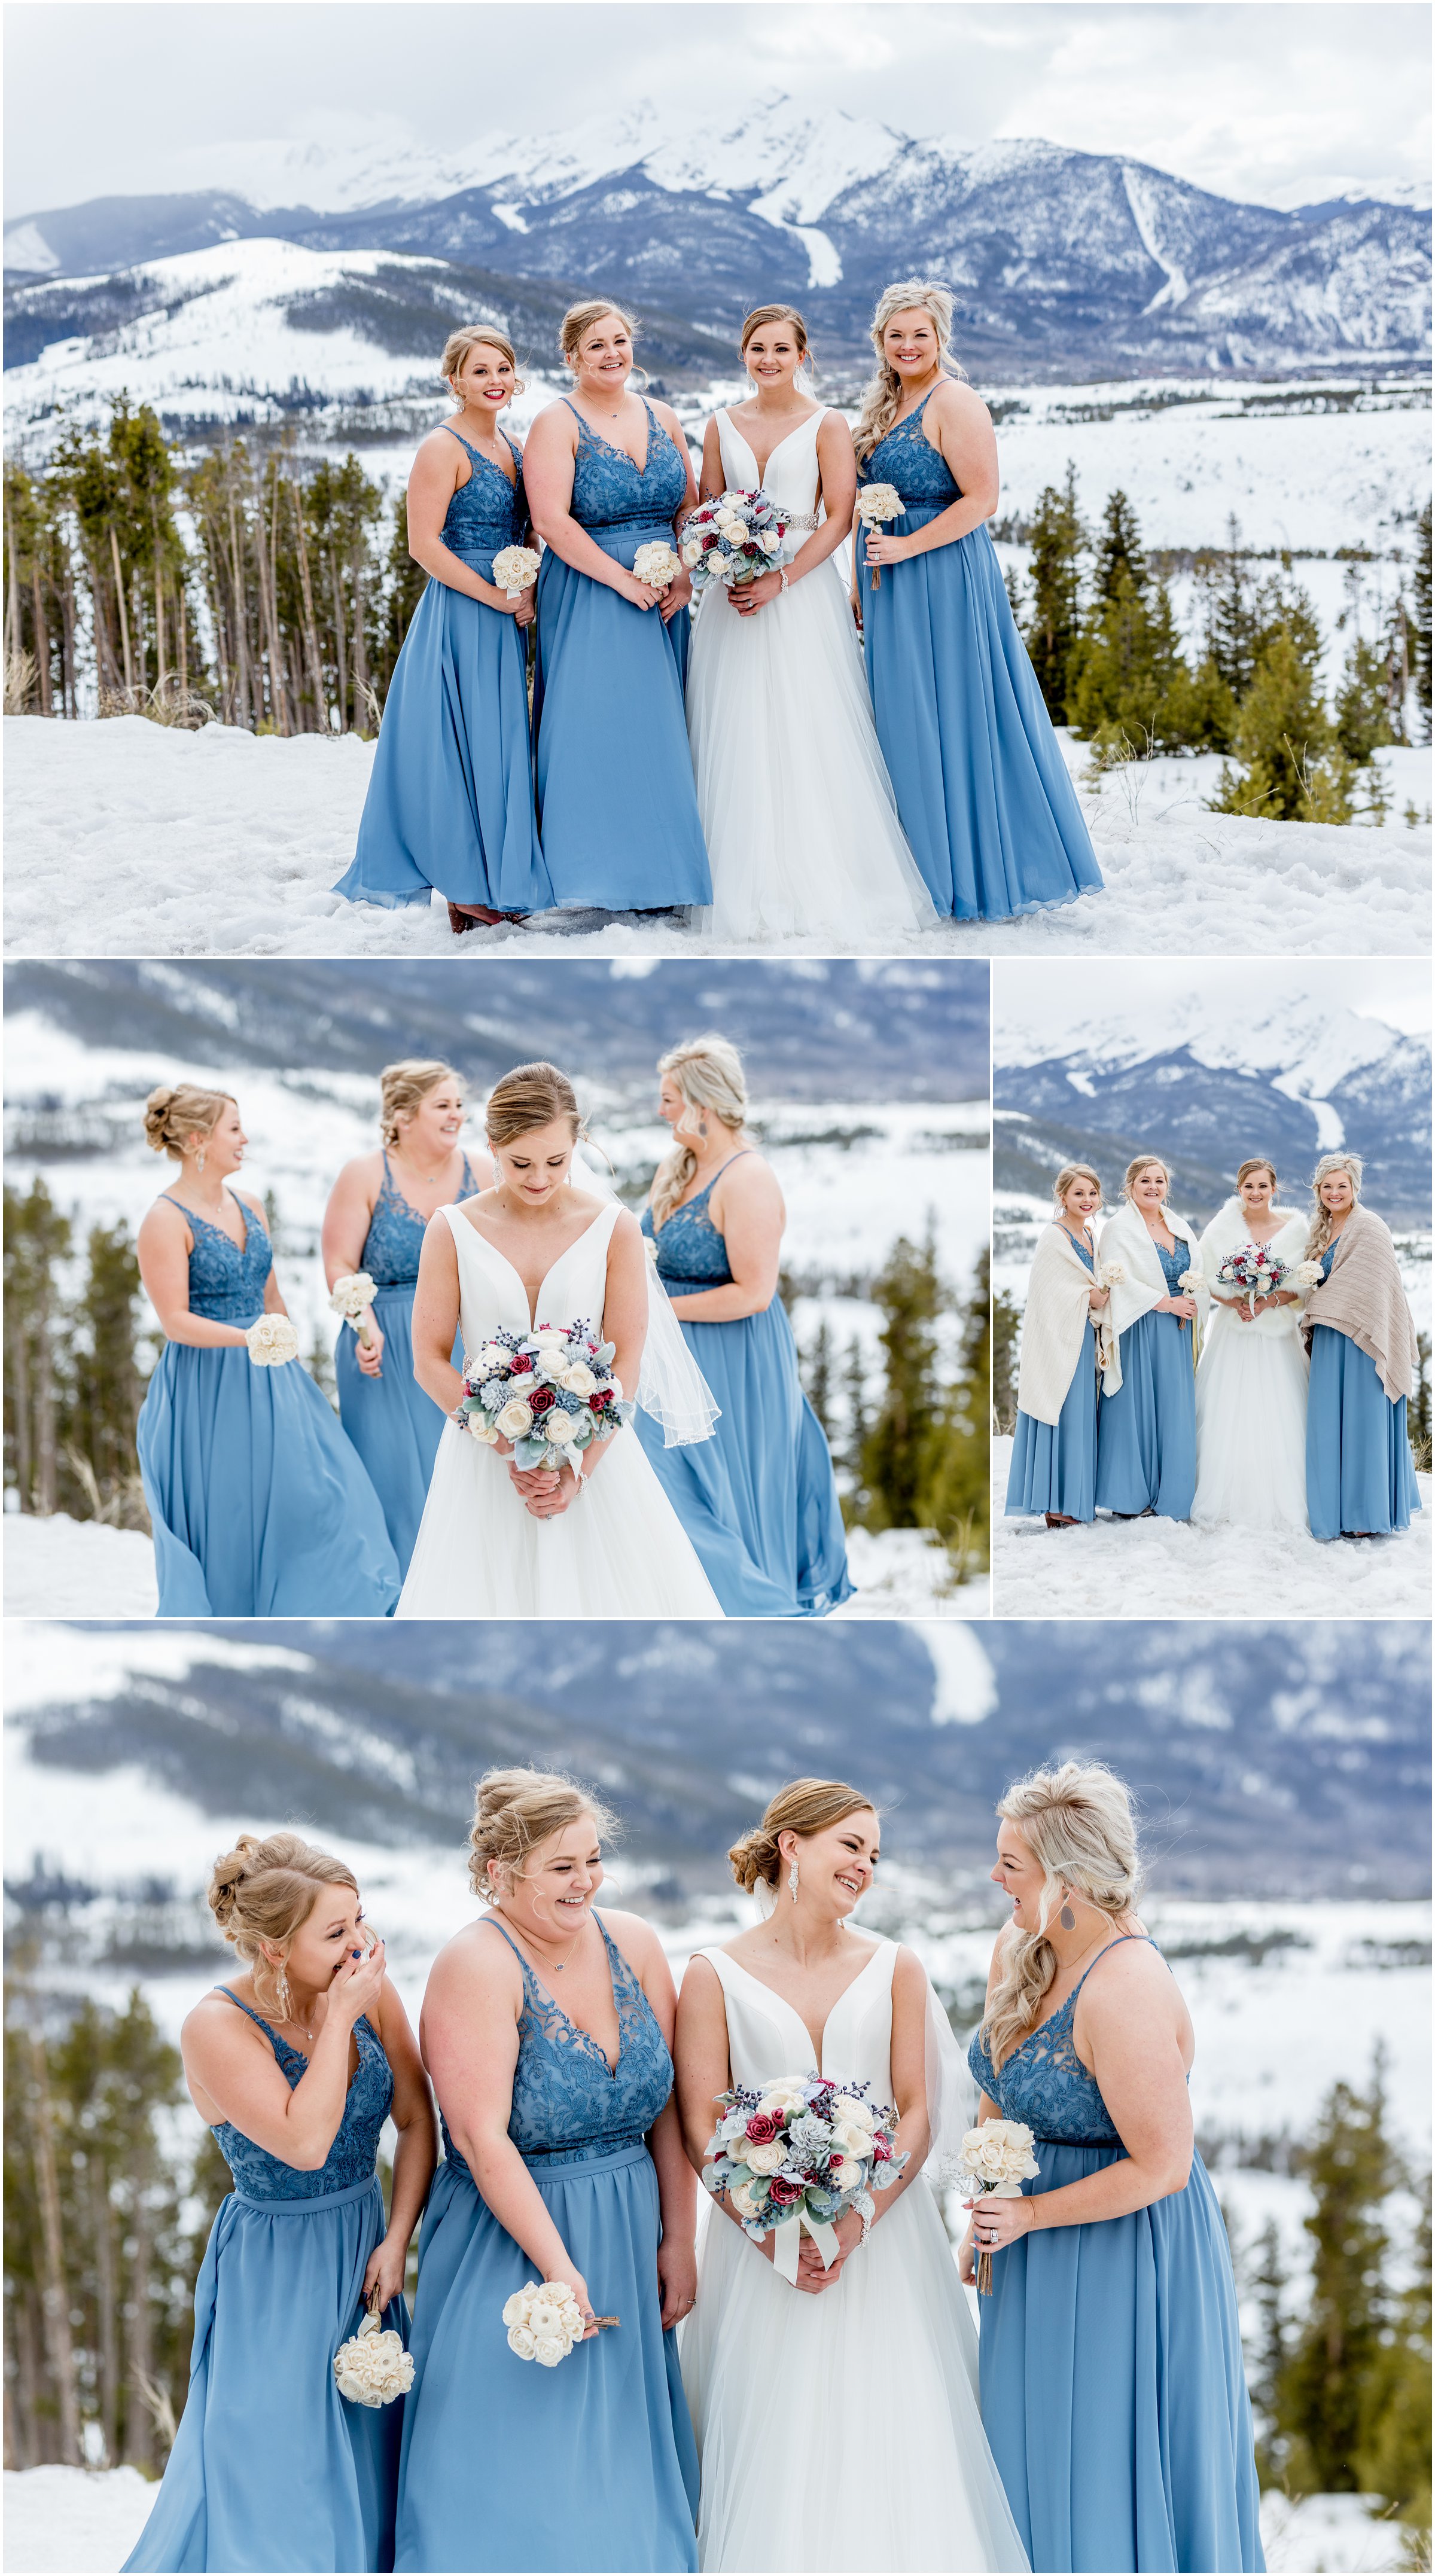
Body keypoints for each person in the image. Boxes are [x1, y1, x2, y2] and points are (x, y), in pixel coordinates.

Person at [675, 1778, 1027, 2574]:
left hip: (882, 2242)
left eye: (873, 1853)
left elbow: (914, 2112)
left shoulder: (895, 1965)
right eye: (850, 1845)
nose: (866, 1865)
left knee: (894, 2438)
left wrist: (852, 2220)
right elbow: (702, 2124)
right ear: (790, 1844)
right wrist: (770, 2236)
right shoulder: (711, 1974)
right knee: (772, 2439)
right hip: (755, 2247)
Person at [394, 1770, 700, 2574]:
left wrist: (678, 2234)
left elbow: (664, 2106)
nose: (586, 1881)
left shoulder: (633, 1942)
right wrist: (559, 2267)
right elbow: (479, 2135)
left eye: (593, 1859)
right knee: (516, 2476)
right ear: (499, 1869)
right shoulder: (475, 1963)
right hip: (514, 2236)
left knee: (618, 2479)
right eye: (562, 1866)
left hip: (628, 2223)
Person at [965, 1764, 1265, 2574]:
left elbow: (1163, 2164)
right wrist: (989, 2198)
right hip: (1026, 2249)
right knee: (1023, 2452)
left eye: (1010, 1864)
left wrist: (1028, 2214)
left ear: (1064, 1876)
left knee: (1102, 2457)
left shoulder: (1123, 1984)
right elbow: (997, 2082)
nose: (993, 1877)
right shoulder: (1020, 1946)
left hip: (1120, 2250)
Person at [123, 1833, 435, 2574]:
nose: (359, 1943)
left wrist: (397, 2240)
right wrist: (337, 2021)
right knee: (276, 2475)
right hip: (276, 2269)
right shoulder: (216, 2025)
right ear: (271, 1948)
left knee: (363, 2468)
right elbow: (304, 2141)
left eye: (360, 1918)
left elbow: (418, 2120)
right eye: (335, 1932)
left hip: (364, 2252)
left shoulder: (366, 1988)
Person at [397, 1062, 723, 1618]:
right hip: (481, 1461)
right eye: (520, 1162)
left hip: (591, 1456)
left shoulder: (614, 1227)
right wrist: (506, 1445)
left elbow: (627, 1363)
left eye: (557, 1160)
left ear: (578, 1144)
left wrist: (578, 1472)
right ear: (492, 1145)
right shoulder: (450, 1229)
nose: (540, 1178)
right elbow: (428, 1360)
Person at [853, 279, 1103, 921]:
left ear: (939, 339)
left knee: (954, 712)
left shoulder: (953, 400)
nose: (908, 345)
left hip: (942, 575)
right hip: (886, 581)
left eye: (920, 334)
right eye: (896, 335)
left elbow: (981, 499)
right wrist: (860, 581)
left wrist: (908, 551)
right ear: (879, 341)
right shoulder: (883, 405)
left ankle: (969, 871)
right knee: (903, 716)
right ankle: (919, 864)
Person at [684, 306, 934, 944]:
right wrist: (725, 564)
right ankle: (733, 874)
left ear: (803, 355)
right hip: (733, 597)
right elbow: (709, 508)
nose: (767, 359)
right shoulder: (718, 425)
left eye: (780, 348)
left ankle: (820, 874)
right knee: (735, 726)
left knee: (807, 724)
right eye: (756, 348)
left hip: (800, 589)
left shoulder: (827, 424)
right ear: (743, 354)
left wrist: (780, 579)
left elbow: (838, 517)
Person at [135, 1084, 400, 1616]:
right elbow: (176, 1321)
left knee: (321, 1494)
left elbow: (270, 1294)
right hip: (207, 1385)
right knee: (233, 1508)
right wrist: (248, 1338)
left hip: (274, 1376)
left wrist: (290, 1363)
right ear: (197, 1140)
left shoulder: (249, 1204)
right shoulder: (164, 1220)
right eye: (234, 1128)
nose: (245, 1138)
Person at [333, 327, 552, 931]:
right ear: (453, 380)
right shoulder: (442, 445)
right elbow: (422, 544)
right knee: (458, 741)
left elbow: (525, 529)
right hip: (460, 608)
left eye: (503, 368)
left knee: (498, 739)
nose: (495, 380)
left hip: (506, 610)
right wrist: (491, 596)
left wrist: (526, 586)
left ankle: (490, 877)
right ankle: (463, 883)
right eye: (480, 371)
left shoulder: (512, 443)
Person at [637, 1037, 852, 1615]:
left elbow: (753, 1293)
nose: (659, 1110)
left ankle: (754, 1607)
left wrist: (657, 1313)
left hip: (730, 1359)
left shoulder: (746, 1178)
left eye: (667, 1098)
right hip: (667, 1358)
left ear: (701, 1104)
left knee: (725, 1492)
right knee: (660, 1485)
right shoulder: (677, 1165)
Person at [524, 302, 711, 913]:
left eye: (620, 341)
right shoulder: (557, 422)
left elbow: (687, 506)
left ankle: (661, 876)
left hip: (663, 594)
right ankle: (593, 872)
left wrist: (683, 573)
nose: (612, 353)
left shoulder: (662, 415)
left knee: (659, 728)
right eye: (597, 345)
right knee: (595, 724)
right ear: (572, 356)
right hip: (589, 588)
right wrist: (620, 580)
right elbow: (551, 520)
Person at [323, 1060, 492, 1577]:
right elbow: (339, 1265)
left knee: (470, 1475)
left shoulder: (482, 1171)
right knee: (392, 1482)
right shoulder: (364, 1174)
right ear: (401, 1115)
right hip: (384, 1346)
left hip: (468, 1344)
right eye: (442, 1105)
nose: (457, 1115)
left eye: (459, 1105)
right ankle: (400, 1594)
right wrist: (362, 1325)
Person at [1299, 1152, 1422, 1541]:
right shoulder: (1320, 1229)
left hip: (1362, 1340)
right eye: (1327, 1186)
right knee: (1329, 1424)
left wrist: (1317, 1303)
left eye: (1342, 1186)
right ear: (1318, 1190)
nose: (1334, 1193)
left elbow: (1370, 1289)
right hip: (1330, 1336)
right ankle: (1333, 1510)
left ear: (1354, 1188)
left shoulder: (1368, 1226)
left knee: (1361, 1423)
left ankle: (1363, 1515)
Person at [1191, 1157, 1311, 1532]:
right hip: (1233, 1330)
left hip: (1276, 1332)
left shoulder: (1296, 1230)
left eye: (1263, 1186)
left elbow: (1304, 1283)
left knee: (1279, 1408)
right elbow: (1205, 1276)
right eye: (1248, 1187)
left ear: (1274, 1189)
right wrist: (1235, 1302)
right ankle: (1225, 1494)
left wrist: (1268, 1301)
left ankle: (1284, 1495)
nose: (1256, 1193)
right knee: (1229, 1407)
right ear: (1238, 1190)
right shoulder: (1222, 1227)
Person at [1093, 1156, 1201, 1523]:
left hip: (1176, 1329)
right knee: (1135, 1406)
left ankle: (1172, 1496)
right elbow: (1117, 1279)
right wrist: (1165, 1303)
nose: (1153, 1187)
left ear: (1167, 1187)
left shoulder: (1180, 1226)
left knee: (1174, 1407)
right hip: (1139, 1324)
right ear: (1130, 1186)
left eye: (1159, 1181)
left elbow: (1196, 1269)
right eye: (1145, 1181)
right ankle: (1130, 1495)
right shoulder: (1119, 1228)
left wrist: (1190, 1300)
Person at [1005, 1164, 1113, 1529]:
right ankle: (1056, 1504)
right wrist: (1090, 1296)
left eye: (1092, 1193)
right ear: (1062, 1196)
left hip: (1084, 1336)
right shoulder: (1055, 1237)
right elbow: (1049, 1291)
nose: (1086, 1200)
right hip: (1058, 1338)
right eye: (1078, 1193)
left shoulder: (1091, 1238)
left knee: (1082, 1413)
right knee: (1063, 1410)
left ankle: (1075, 1499)